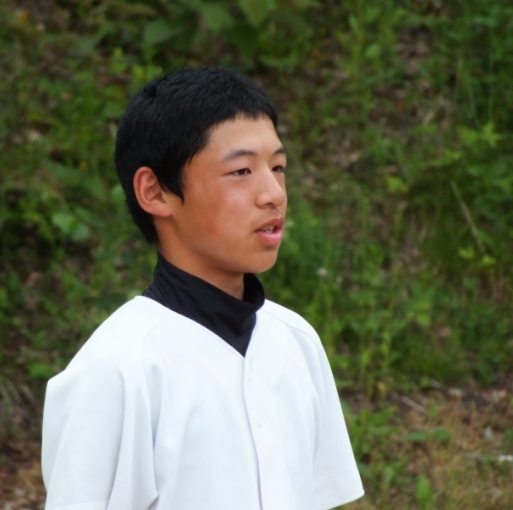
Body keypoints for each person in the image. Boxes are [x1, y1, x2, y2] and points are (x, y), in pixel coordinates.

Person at [41, 67, 364, 510]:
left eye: (278, 167)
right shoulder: (118, 370)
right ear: (155, 192)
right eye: (241, 171)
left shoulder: (297, 342)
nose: (273, 193)